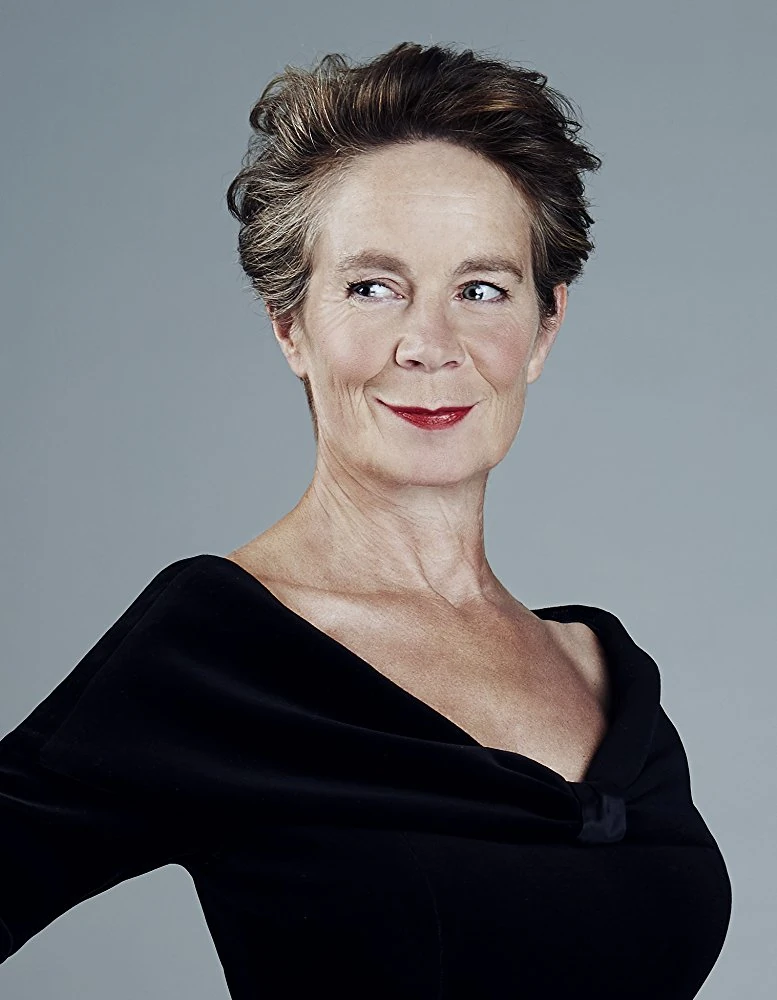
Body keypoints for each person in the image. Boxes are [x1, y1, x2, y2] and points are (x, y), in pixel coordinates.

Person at [1, 41, 731, 998]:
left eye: (480, 289)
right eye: (371, 287)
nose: (428, 345)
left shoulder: (608, 679)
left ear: (544, 326)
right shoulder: (216, 651)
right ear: (290, 325)